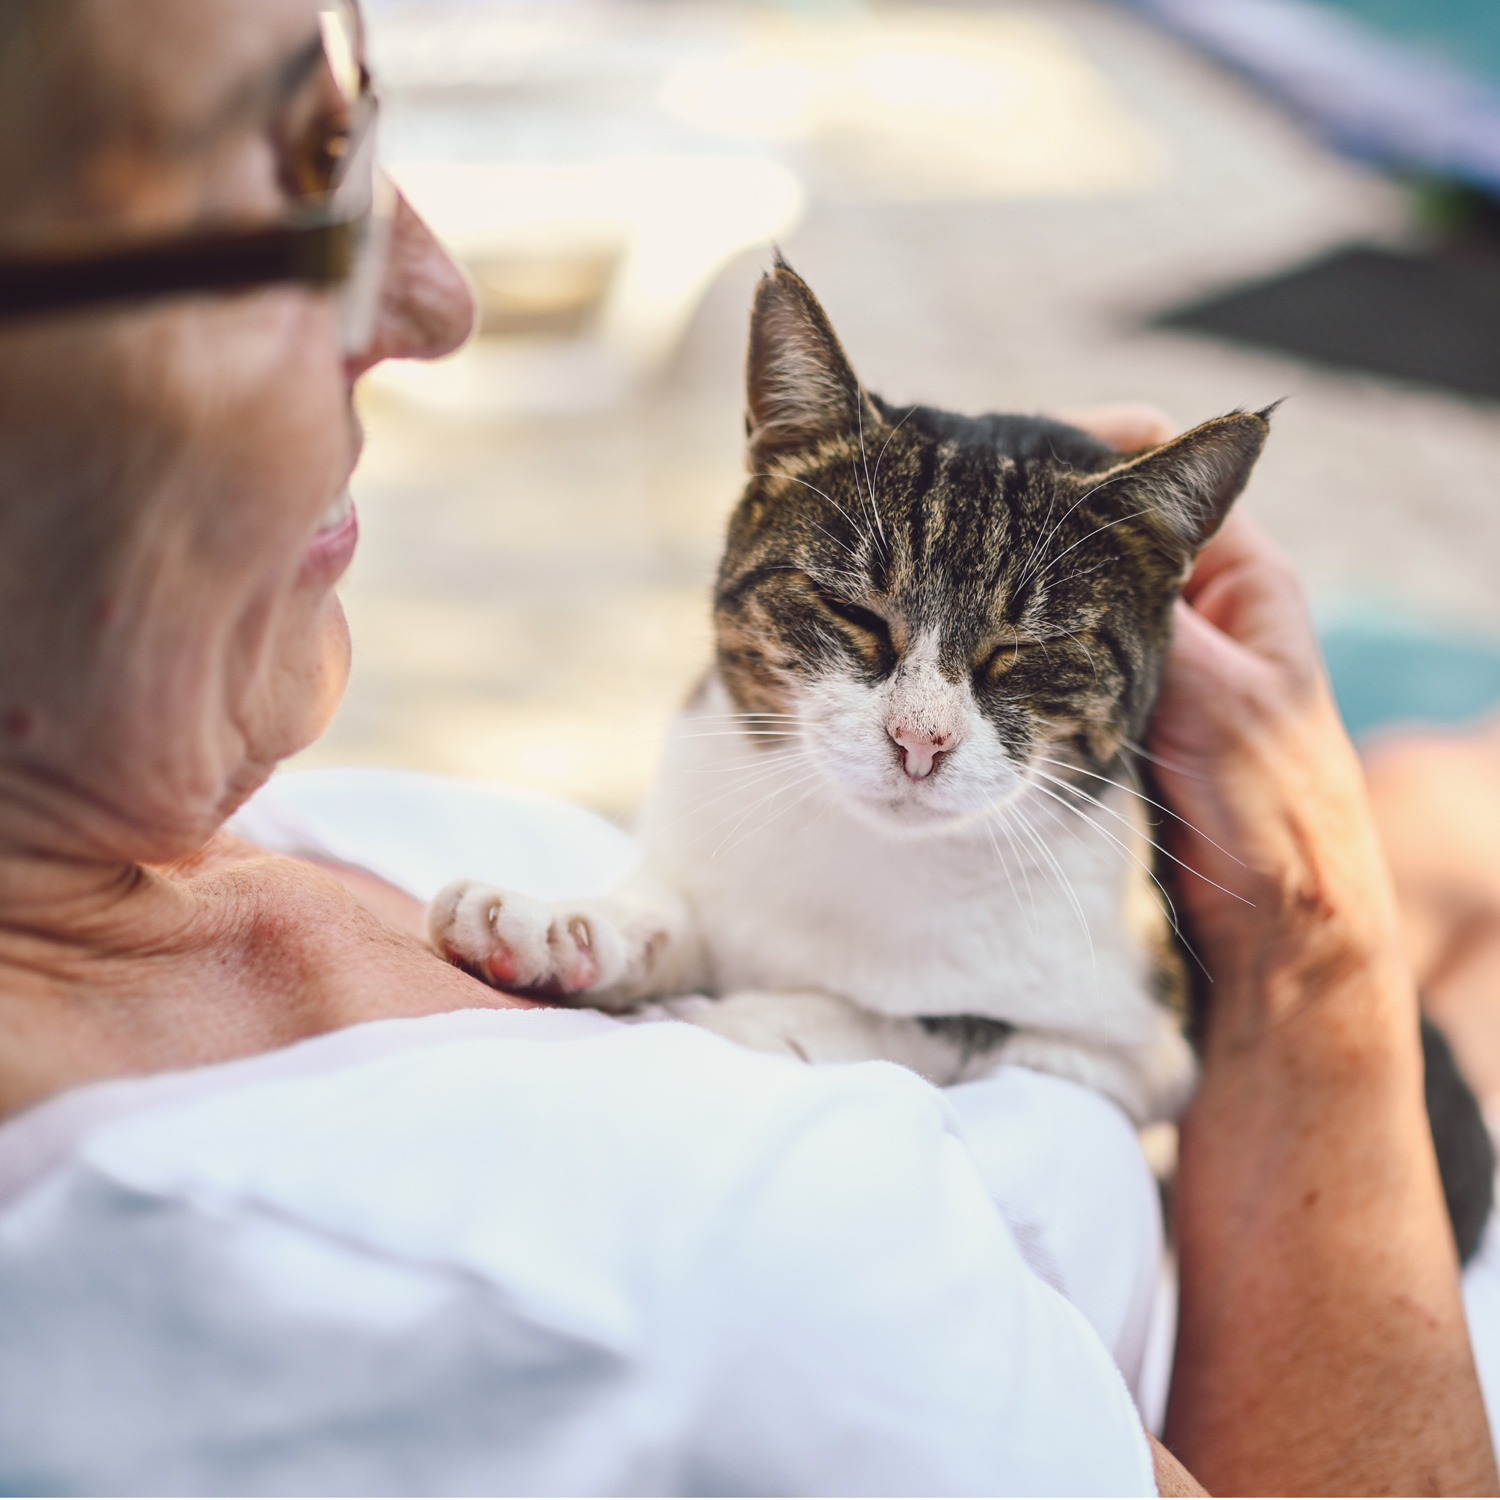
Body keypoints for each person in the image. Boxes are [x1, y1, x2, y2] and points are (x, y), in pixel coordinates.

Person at [0, 0, 1493, 1493]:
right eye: (310, 171)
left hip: (1156, 1077)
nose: (440, 296)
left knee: (1442, 800)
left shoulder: (205, 823)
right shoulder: (692, 1302)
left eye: (367, 124)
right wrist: (1316, 946)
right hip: (1349, 1295)